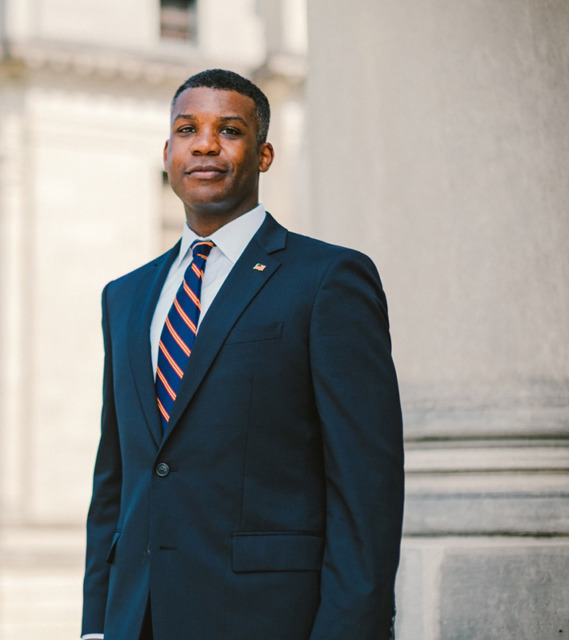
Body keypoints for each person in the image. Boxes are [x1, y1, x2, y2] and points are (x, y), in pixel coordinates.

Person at [81, 69, 404, 640]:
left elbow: (365, 485)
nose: (205, 144)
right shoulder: (124, 297)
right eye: (187, 129)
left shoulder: (328, 279)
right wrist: (96, 624)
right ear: (167, 152)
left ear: (264, 155)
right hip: (139, 620)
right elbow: (118, 477)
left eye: (229, 130)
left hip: (269, 617)